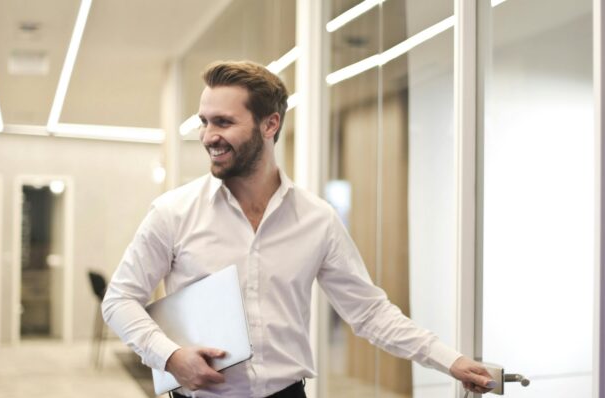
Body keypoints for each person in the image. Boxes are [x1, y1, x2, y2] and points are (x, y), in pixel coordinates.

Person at [102, 60, 494, 398]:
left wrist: (450, 360)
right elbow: (119, 299)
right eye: (205, 122)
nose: (208, 136)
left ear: (270, 124)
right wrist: (169, 356)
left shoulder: (316, 218)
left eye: (223, 122)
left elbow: (369, 312)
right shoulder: (173, 211)